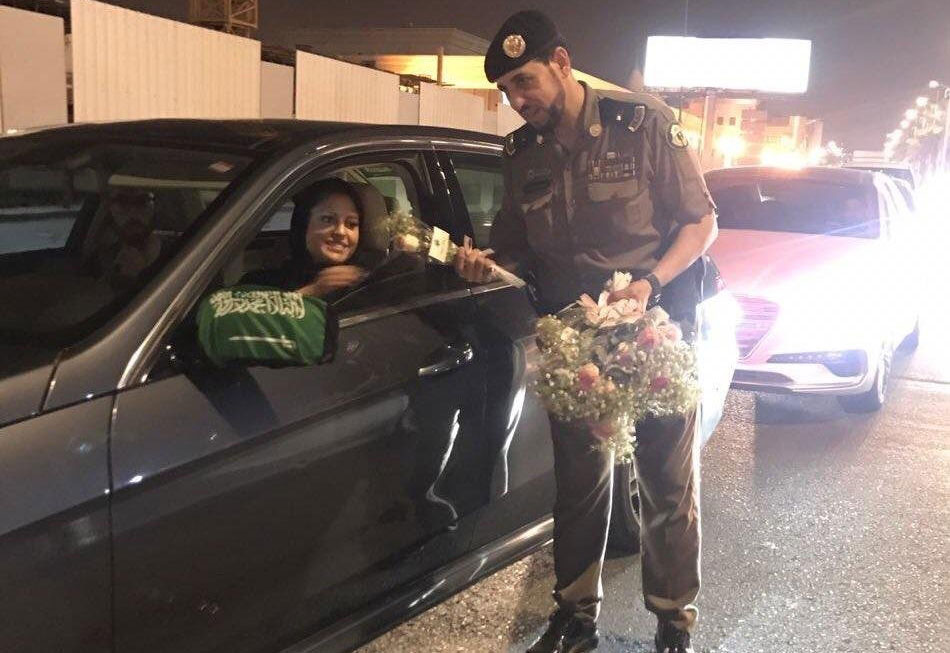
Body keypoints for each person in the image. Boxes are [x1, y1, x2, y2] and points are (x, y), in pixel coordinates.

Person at [455, 11, 718, 653]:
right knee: (580, 486)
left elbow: (701, 221)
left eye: (526, 82)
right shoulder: (521, 155)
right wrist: (483, 265)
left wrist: (649, 284)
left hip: (654, 332)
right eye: (508, 92)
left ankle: (672, 620)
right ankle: (575, 615)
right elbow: (514, 253)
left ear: (562, 64)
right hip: (578, 345)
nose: (518, 101)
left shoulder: (643, 123)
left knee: (666, 483)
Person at [247, 177, 370, 298]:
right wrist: (312, 291)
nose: (341, 232)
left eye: (352, 224)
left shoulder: (369, 285)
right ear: (303, 224)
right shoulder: (260, 283)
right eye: (327, 219)